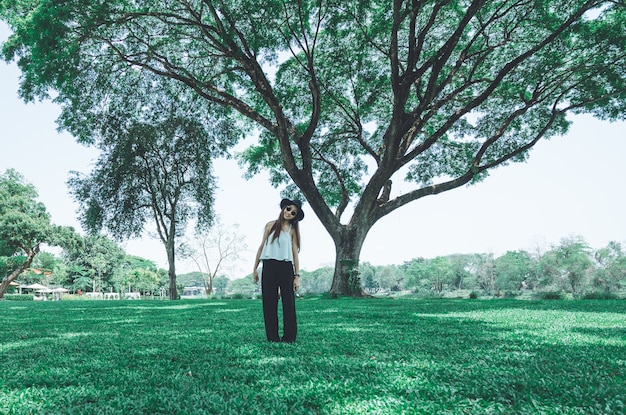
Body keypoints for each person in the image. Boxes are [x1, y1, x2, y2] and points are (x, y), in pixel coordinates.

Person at [253, 198, 304, 343]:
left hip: (286, 268)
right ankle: (272, 337)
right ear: (283, 208)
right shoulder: (270, 226)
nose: (289, 213)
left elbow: (295, 254)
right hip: (268, 266)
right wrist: (255, 268)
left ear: (295, 216)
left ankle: (289, 337)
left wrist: (296, 276)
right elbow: (261, 247)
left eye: (293, 213)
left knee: (288, 303)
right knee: (269, 303)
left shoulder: (292, 230)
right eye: (288, 209)